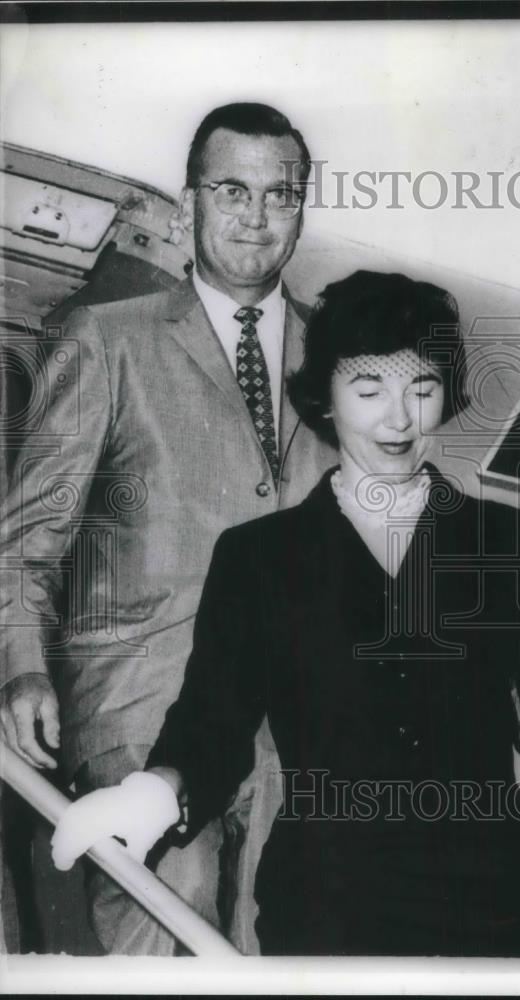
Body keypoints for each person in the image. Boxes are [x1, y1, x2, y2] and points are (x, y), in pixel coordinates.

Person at [51, 270, 520, 956]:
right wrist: (156, 793)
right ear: (325, 395)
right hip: (330, 907)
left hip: (495, 906)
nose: (399, 418)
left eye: (423, 387)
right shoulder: (259, 557)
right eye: (370, 388)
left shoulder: (513, 540)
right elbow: (212, 722)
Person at [0, 102, 334, 955]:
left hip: (294, 729)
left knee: (275, 946)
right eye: (232, 190)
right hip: (145, 711)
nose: (256, 215)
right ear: (189, 207)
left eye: (279, 193)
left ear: (302, 205)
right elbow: (28, 540)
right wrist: (22, 671)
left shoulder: (339, 366)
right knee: (166, 938)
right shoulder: (105, 341)